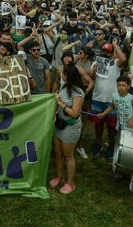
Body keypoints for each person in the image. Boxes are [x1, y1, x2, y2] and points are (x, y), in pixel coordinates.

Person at [49, 63, 85, 194]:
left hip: (70, 127)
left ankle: (70, 183)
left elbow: (75, 113)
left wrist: (60, 103)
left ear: (68, 76)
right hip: (59, 124)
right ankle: (59, 176)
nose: (61, 75)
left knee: (68, 155)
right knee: (58, 152)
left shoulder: (78, 93)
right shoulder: (63, 86)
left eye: (64, 73)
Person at [90, 42, 127, 159]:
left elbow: (124, 59)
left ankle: (111, 146)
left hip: (111, 99)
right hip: (97, 97)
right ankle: (98, 143)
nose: (105, 53)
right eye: (104, 51)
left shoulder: (115, 63)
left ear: (112, 54)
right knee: (98, 123)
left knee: (111, 126)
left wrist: (116, 45)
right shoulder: (96, 63)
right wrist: (93, 71)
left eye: (108, 52)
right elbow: (91, 78)